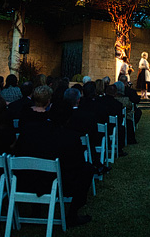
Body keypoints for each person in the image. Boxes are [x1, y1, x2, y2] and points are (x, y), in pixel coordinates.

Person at [13, 85, 95, 227]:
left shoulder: (29, 130)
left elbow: (18, 153)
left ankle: (36, 210)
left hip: (26, 181)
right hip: (56, 183)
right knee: (87, 169)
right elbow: (77, 165)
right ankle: (72, 214)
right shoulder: (71, 137)